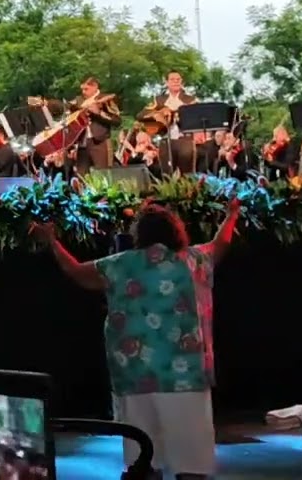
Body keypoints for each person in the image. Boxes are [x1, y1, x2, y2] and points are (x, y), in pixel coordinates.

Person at [44, 198, 240, 479]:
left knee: (143, 460)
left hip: (135, 375)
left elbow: (76, 271)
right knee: (191, 461)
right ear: (176, 231)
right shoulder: (194, 260)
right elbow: (221, 243)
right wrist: (232, 215)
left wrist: (52, 240)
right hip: (187, 378)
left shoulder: (119, 265)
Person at [139, 71, 197, 175]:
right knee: (166, 174)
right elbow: (141, 115)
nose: (175, 82)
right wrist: (157, 114)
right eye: (172, 79)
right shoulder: (159, 100)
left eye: (178, 79)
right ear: (167, 82)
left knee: (187, 175)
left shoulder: (190, 100)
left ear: (182, 82)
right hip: (165, 140)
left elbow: (196, 118)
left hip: (185, 139)